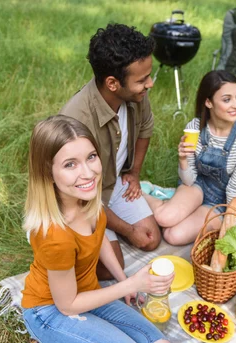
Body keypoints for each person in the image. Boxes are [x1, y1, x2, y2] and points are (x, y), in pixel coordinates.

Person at [0, 116, 174, 343]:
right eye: (70, 164)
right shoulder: (55, 235)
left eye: (91, 157)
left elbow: (98, 241)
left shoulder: (86, 198)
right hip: (51, 312)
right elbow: (67, 304)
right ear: (48, 173)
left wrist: (123, 279)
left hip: (89, 296)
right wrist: (132, 285)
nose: (87, 173)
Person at [60, 24, 161, 280]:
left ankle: (113, 226)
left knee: (150, 239)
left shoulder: (136, 94)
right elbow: (78, 196)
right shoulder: (76, 120)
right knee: (108, 268)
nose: (149, 84)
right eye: (141, 80)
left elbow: (146, 128)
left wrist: (134, 173)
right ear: (113, 83)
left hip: (111, 183)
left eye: (148, 76)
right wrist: (127, 230)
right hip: (81, 197)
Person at [144, 70, 236, 245]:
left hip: (223, 201)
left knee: (173, 236)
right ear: (208, 102)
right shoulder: (195, 128)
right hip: (196, 185)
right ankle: (142, 193)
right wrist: (183, 159)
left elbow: (235, 189)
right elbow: (189, 180)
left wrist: (229, 223)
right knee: (163, 218)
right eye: (227, 99)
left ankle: (170, 201)